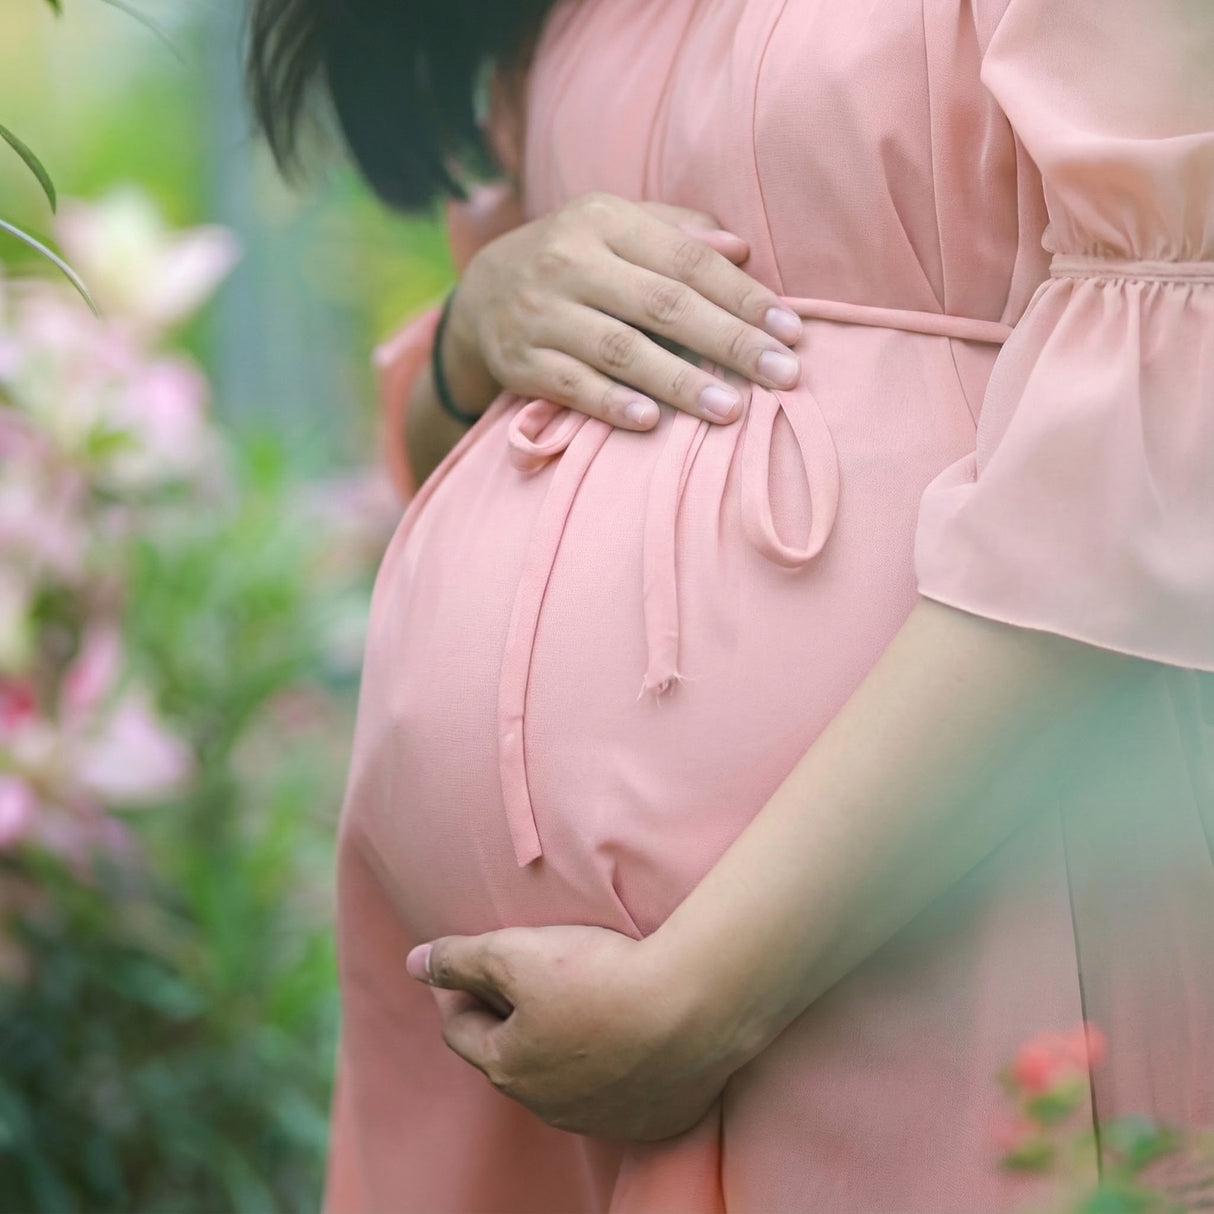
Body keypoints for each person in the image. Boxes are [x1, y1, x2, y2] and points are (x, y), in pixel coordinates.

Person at [246, 0, 1214, 1210]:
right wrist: (477, 317)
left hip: (918, 918)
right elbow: (454, 435)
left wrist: (701, 996)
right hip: (518, 1077)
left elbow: (1152, 463)